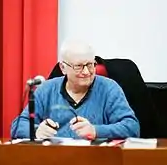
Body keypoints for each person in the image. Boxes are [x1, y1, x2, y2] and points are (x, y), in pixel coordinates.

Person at [11, 41, 140, 140]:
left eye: (90, 65)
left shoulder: (109, 89)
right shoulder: (46, 89)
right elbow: (18, 125)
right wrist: (36, 131)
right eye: (79, 66)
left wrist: (96, 131)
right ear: (63, 68)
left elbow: (132, 127)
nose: (86, 72)